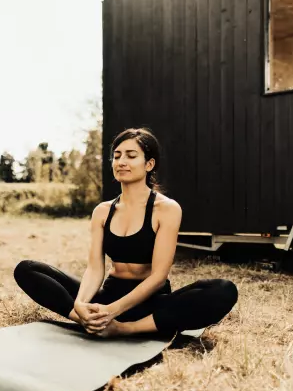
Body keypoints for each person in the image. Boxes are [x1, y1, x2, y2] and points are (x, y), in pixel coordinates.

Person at [14, 128, 238, 338]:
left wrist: (113, 312)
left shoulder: (167, 209)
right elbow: (95, 268)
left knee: (223, 290)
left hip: (150, 303)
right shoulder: (102, 211)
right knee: (27, 269)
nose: (121, 162)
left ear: (149, 164)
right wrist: (81, 304)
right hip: (108, 296)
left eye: (131, 156)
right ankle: (87, 321)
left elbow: (158, 277)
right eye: (117, 156)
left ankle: (124, 329)